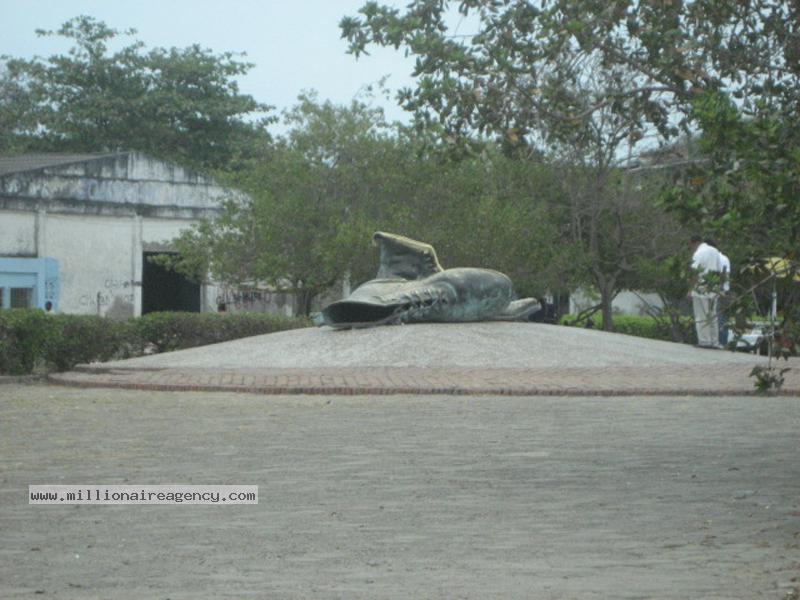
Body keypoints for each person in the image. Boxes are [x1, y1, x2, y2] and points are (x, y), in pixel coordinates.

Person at [689, 234, 723, 348]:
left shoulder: (699, 253)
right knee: (713, 316)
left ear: (694, 243)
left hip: (701, 288)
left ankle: (704, 341)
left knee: (701, 315)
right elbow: (719, 271)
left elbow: (694, 271)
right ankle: (714, 341)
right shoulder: (715, 251)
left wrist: (691, 288)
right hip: (713, 287)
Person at [705, 239, 731, 346]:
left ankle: (722, 343)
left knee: (720, 320)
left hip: (721, 292)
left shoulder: (721, 258)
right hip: (715, 292)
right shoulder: (715, 258)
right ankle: (714, 341)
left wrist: (719, 290)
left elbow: (724, 274)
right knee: (714, 319)